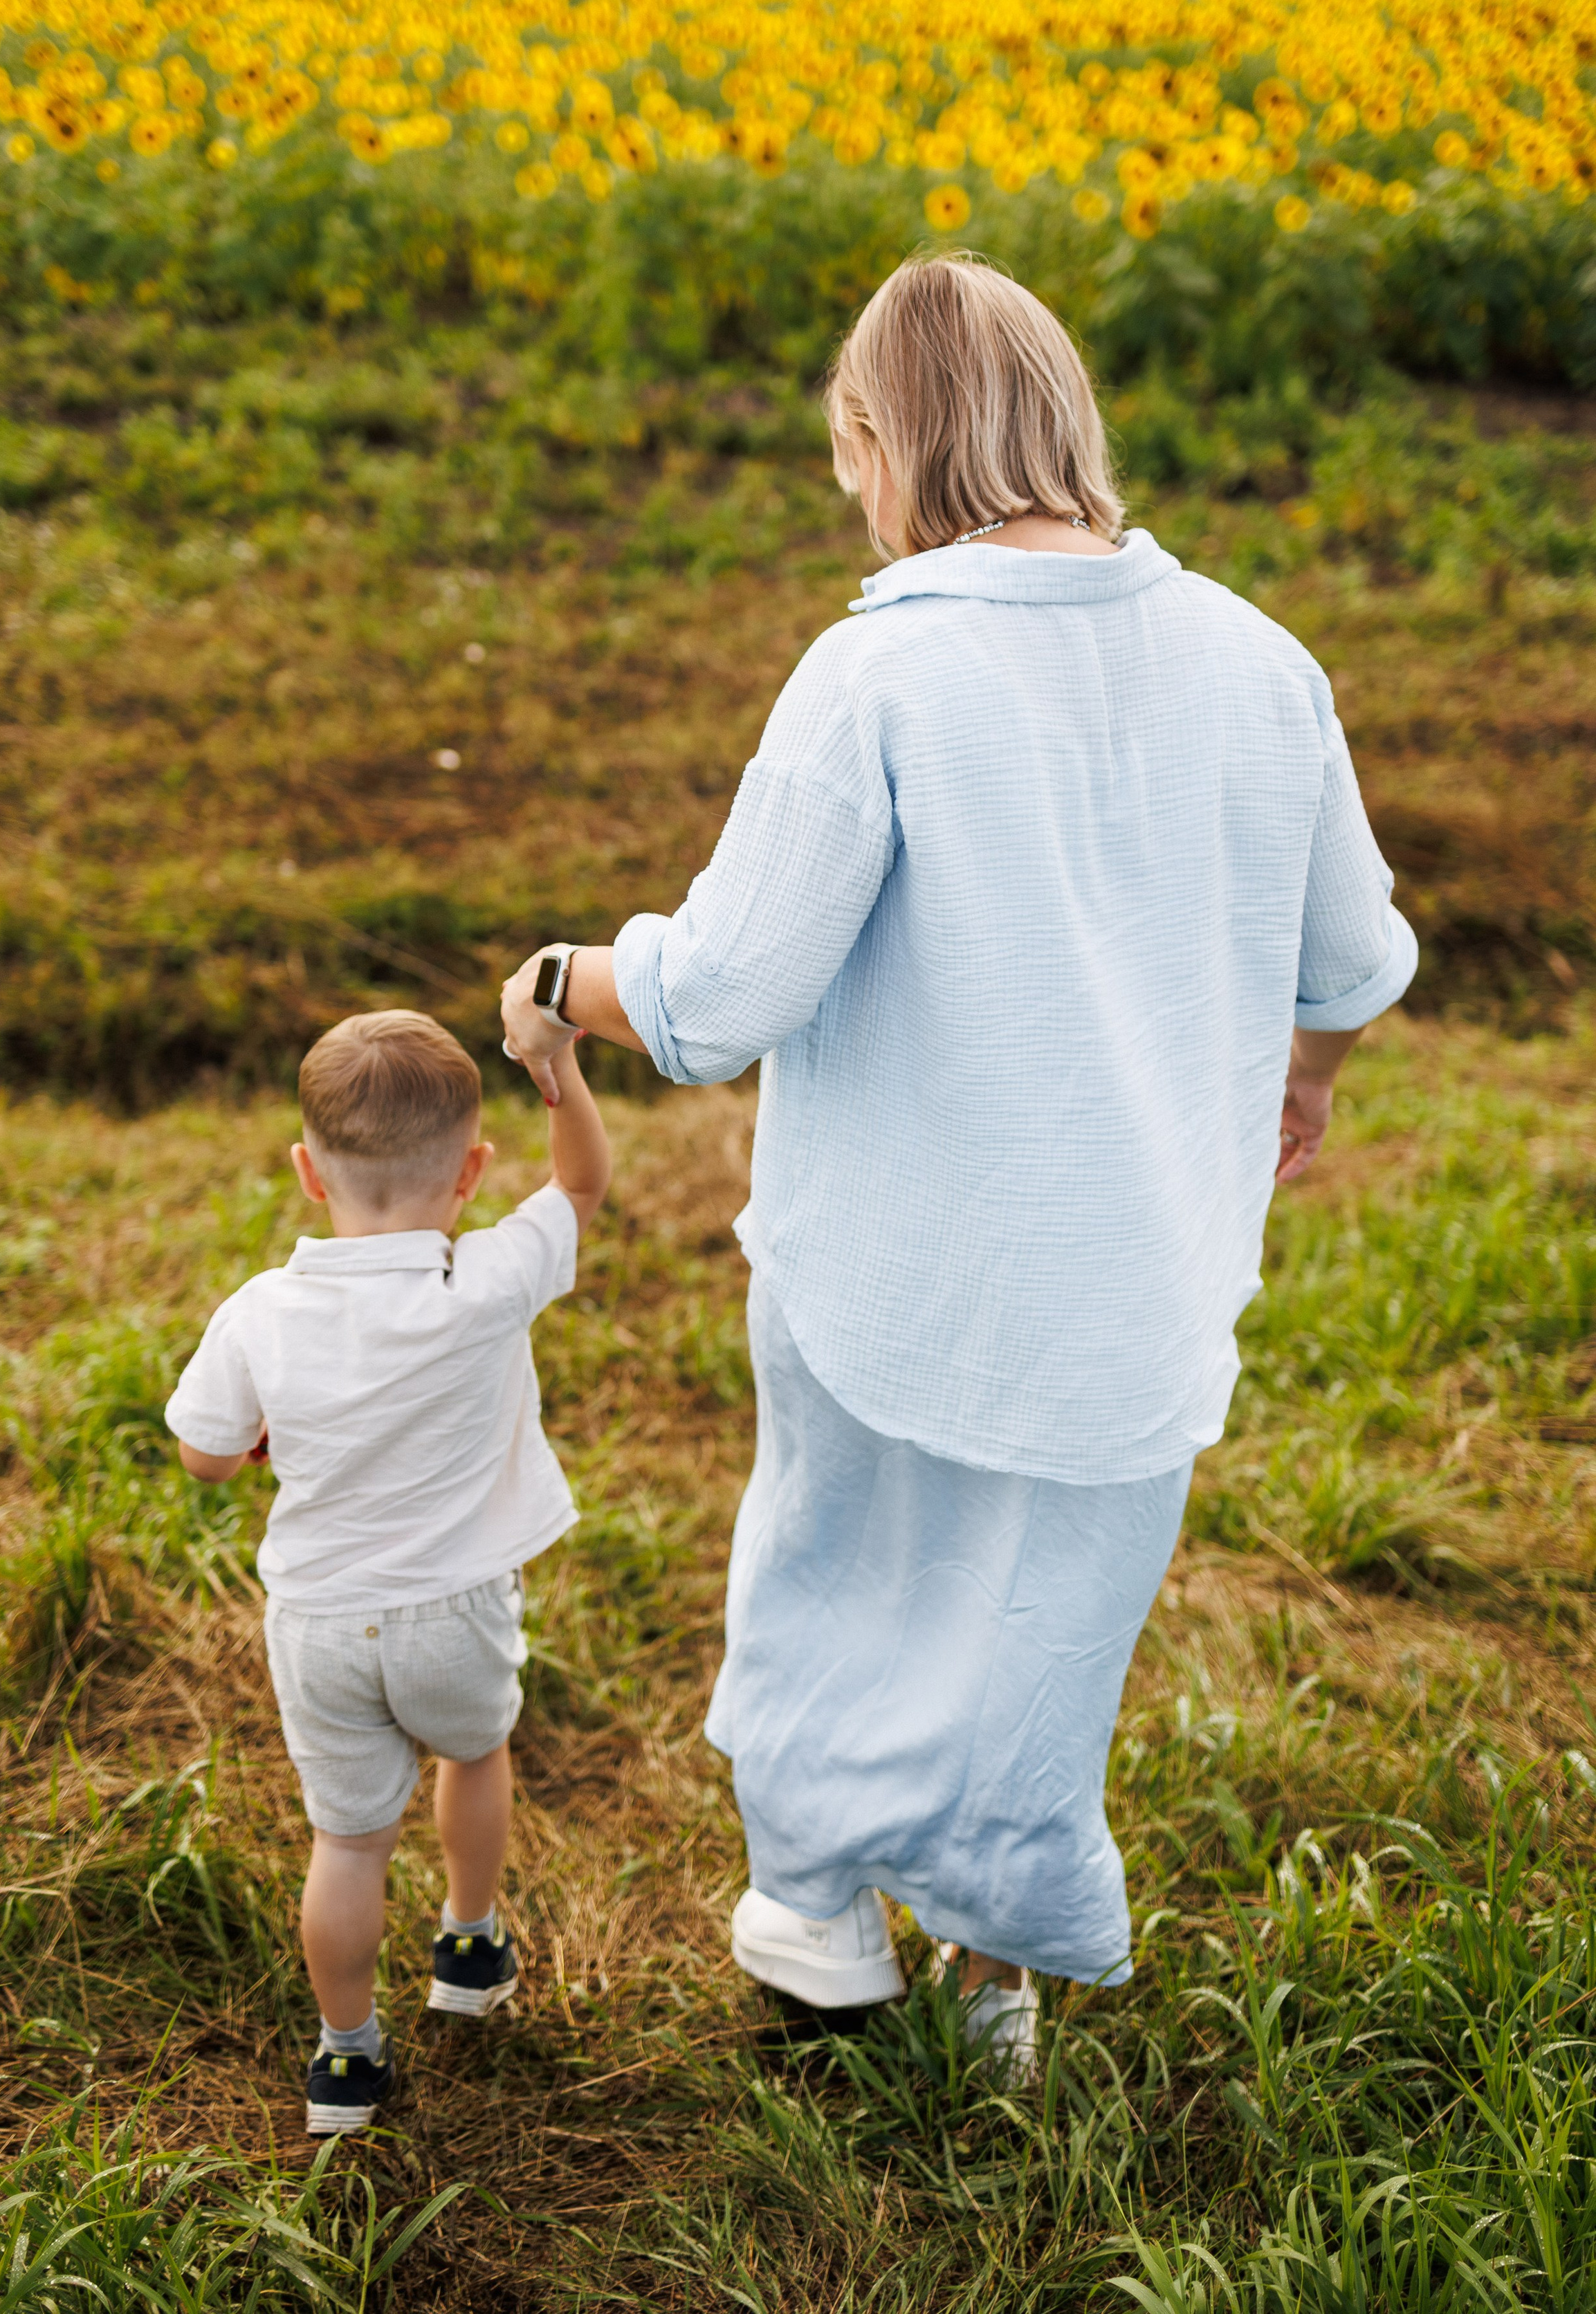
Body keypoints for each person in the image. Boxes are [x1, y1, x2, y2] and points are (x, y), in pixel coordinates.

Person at [499, 252, 1415, 2084]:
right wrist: (1300, 1084)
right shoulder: (1260, 658)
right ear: (1067, 421)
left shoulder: (880, 674)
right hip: (1141, 1278)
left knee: (846, 1570)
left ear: (879, 439)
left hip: (896, 1266)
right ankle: (994, 1974)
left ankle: (823, 1912)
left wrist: (565, 982)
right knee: (1049, 1614)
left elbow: (729, 991)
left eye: (850, 455)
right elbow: (1350, 960)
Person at [169, 1007, 610, 2135]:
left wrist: (261, 1436)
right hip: (455, 1609)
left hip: (318, 1620)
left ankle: (347, 2058)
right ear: (470, 1172)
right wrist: (554, 1067)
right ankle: (469, 1938)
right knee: (475, 1748)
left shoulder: (260, 1312)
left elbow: (206, 1458)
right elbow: (583, 1188)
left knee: (349, 1841)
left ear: (307, 1173)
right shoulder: (488, 1282)